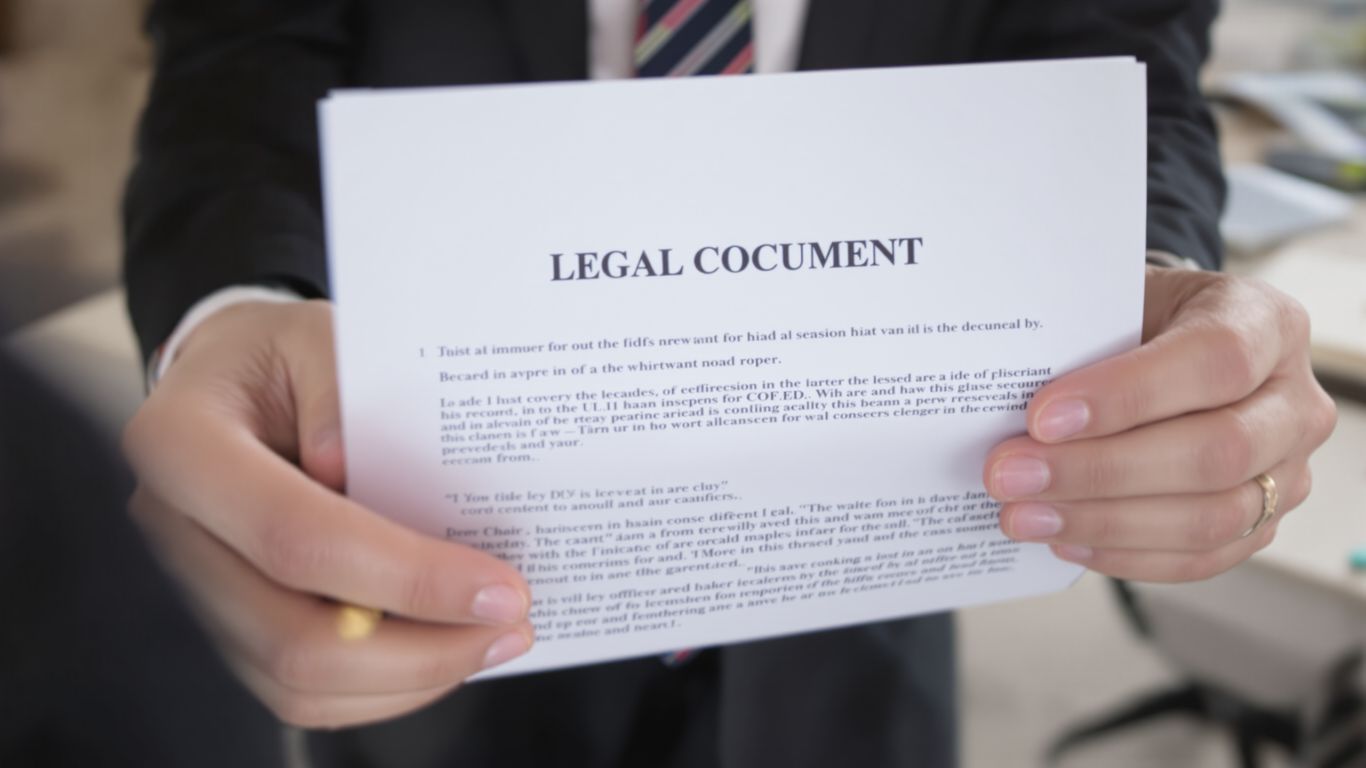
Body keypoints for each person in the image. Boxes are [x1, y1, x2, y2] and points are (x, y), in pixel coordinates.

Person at [121, 1, 1338, 766]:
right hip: (412, 553)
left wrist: (1145, 305)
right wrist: (237, 318)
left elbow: (1119, 50)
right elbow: (240, 61)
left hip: (873, 574)